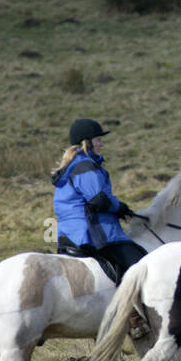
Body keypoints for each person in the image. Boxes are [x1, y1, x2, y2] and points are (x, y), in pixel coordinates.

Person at [51, 118, 147, 279]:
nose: (102, 144)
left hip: (69, 234)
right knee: (142, 267)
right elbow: (100, 200)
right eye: (99, 140)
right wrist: (119, 207)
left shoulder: (74, 165)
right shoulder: (85, 166)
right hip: (90, 235)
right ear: (86, 143)